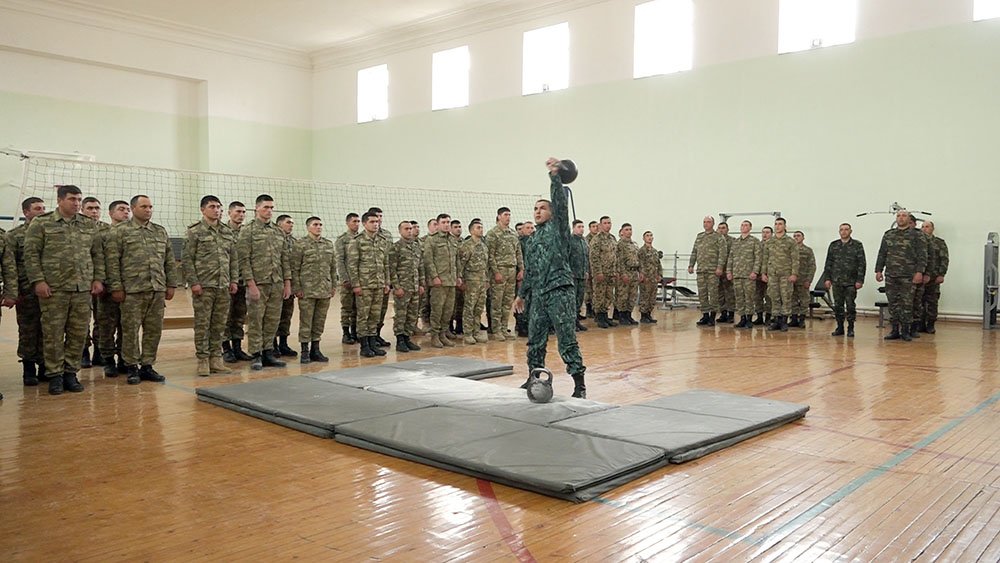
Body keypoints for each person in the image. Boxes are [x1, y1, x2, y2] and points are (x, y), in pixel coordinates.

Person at [513, 158, 587, 399]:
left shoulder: (559, 229)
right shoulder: (532, 240)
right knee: (535, 341)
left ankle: (579, 384)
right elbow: (531, 271)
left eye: (542, 208)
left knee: (566, 340)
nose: (537, 212)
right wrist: (522, 295)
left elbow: (559, 202)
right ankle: (533, 378)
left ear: (553, 213)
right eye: (535, 209)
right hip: (540, 296)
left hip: (560, 291)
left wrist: (555, 176)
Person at [24, 185, 105, 395]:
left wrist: (97, 279)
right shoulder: (42, 224)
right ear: (60, 200)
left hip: (81, 289)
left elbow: (97, 254)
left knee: (78, 334)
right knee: (52, 334)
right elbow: (31, 255)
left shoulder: (89, 225)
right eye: (72, 199)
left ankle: (71, 373)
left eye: (79, 199)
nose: (77, 203)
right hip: (54, 289)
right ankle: (55, 375)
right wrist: (38, 281)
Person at [107, 195, 180, 384]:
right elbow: (113, 262)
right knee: (130, 330)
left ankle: (147, 365)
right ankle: (131, 366)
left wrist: (171, 284)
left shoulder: (159, 231)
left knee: (154, 330)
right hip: (132, 290)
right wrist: (116, 286)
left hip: (156, 288)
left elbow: (169, 260)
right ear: (133, 209)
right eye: (144, 206)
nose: (148, 210)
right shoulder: (120, 231)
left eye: (150, 206)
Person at [182, 195, 238, 377]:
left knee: (219, 324)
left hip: (223, 285)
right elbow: (187, 260)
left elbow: (233, 258)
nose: (217, 210)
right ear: (203, 209)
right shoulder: (194, 231)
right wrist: (194, 282)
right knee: (202, 324)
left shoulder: (226, 231)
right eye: (212, 206)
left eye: (219, 207)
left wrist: (234, 280)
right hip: (204, 285)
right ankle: (203, 360)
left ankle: (216, 358)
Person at [238, 194, 292, 370]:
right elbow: (243, 259)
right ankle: (256, 354)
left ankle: (268, 351)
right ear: (257, 209)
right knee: (256, 320)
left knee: (272, 320)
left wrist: (287, 282)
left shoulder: (278, 231)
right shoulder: (248, 231)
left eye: (271, 208)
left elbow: (284, 258)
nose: (269, 211)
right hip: (258, 283)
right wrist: (251, 284)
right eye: (265, 208)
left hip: (276, 283)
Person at [7, 197, 46, 385]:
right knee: (28, 329)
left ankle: (46, 366)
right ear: (26, 212)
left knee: (48, 329)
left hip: (48, 290)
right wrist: (13, 291)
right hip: (26, 291)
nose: (42, 211)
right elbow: (10, 267)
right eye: (37, 208)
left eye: (44, 208)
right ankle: (29, 367)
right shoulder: (14, 236)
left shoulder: (49, 232)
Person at [291, 216, 337, 363]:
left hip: (324, 289)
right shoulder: (300, 245)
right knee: (306, 321)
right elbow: (295, 268)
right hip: (307, 290)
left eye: (320, 224)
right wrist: (297, 288)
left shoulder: (328, 244)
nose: (319, 227)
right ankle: (304, 350)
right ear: (308, 227)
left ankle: (315, 349)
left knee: (319, 321)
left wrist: (333, 286)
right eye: (315, 224)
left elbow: (332, 267)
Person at [876, 210, 927, 341]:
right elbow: (882, 253)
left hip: (909, 275)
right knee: (893, 303)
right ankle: (894, 330)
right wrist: (878, 270)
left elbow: (922, 255)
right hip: (891, 274)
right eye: (898, 216)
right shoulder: (889, 234)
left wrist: (919, 272)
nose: (901, 218)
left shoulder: (917, 235)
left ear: (909, 218)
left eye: (904, 216)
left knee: (907, 303)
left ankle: (906, 330)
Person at [348, 212, 390, 358]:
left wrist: (387, 282)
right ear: (365, 224)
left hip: (379, 284)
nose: (376, 224)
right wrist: (356, 284)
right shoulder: (357, 241)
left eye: (377, 222)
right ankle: (364, 345)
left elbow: (385, 263)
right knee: (363, 316)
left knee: (375, 315)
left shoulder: (382, 240)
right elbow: (352, 265)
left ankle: (373, 342)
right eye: (372, 222)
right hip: (364, 285)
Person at [96, 200, 130, 377]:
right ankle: (108, 359)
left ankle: (124, 359)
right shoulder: (102, 234)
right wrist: (101, 283)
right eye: (121, 209)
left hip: (131, 289)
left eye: (127, 210)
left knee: (127, 326)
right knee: (107, 326)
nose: (126, 213)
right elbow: (99, 260)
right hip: (108, 289)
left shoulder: (133, 233)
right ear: (110, 213)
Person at [222, 201, 254, 363]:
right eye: (237, 212)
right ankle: (225, 349)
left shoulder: (247, 232)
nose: (241, 215)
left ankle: (237, 347)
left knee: (239, 316)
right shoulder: (222, 231)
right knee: (225, 316)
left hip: (243, 280)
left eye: (243, 212)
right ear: (229, 213)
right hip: (226, 281)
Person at [822, 223, 866, 337]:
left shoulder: (857, 245)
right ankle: (840, 327)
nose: (844, 231)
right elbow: (828, 263)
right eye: (841, 230)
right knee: (838, 305)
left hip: (851, 281)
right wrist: (827, 278)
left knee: (850, 305)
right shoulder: (834, 245)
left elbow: (862, 264)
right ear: (839, 232)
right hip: (837, 280)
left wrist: (860, 280)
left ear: (850, 231)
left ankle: (851, 327)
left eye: (846, 229)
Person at [485, 207, 523, 341]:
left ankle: (504, 328)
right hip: (499, 271)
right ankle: (496, 330)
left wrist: (521, 269)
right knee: (497, 302)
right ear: (499, 216)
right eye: (506, 215)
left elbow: (518, 252)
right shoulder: (492, 234)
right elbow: (490, 255)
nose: (508, 217)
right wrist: (495, 272)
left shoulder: (513, 233)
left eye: (509, 215)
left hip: (512, 271)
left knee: (507, 302)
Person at [425, 213, 461, 348]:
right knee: (437, 310)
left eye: (448, 222)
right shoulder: (432, 240)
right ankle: (435, 336)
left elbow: (456, 260)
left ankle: (443, 334)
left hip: (451, 281)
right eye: (444, 222)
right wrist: (434, 277)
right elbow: (428, 260)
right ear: (438, 224)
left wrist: (458, 276)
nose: (446, 225)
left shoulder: (452, 240)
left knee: (448, 310)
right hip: (439, 282)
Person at [388, 220, 423, 353]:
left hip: (414, 287)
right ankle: (400, 340)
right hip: (403, 287)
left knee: (412, 314)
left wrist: (421, 284)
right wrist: (396, 287)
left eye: (410, 228)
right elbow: (392, 269)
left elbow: (420, 267)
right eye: (406, 229)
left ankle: (408, 337)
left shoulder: (416, 247)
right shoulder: (395, 248)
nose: (409, 231)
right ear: (400, 231)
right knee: (401, 315)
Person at [80, 196, 105, 368]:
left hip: (101, 281)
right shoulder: (76, 228)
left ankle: (99, 351)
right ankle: (83, 352)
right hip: (80, 282)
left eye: (96, 208)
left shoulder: (107, 229)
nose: (94, 211)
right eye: (90, 208)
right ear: (82, 209)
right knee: (81, 320)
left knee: (101, 319)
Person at [688, 216, 727, 326]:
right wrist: (691, 264)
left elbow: (722, 254)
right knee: (702, 294)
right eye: (704, 222)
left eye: (708, 222)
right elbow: (694, 251)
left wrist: (720, 267)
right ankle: (705, 315)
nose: (706, 224)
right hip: (701, 270)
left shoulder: (719, 237)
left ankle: (712, 316)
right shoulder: (700, 236)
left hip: (712, 271)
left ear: (713, 224)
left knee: (713, 294)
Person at [760, 217, 798, 331]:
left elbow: (795, 259)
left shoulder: (790, 242)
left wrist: (794, 274)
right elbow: (765, 258)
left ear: (785, 226)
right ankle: (776, 320)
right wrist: (763, 273)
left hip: (786, 275)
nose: (777, 226)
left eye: (780, 224)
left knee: (785, 297)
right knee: (774, 297)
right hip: (772, 274)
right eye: (776, 224)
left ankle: (784, 321)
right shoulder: (770, 242)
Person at [459, 219, 489, 344]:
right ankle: (467, 333)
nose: (481, 230)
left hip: (481, 282)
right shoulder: (466, 246)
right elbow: (461, 264)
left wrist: (487, 280)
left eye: (481, 227)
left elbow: (486, 265)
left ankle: (476, 331)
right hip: (471, 281)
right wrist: (461, 280)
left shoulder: (483, 246)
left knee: (478, 308)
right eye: (478, 228)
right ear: (471, 230)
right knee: (469, 308)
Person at [726, 220, 761, 329]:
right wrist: (729, 271)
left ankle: (749, 319)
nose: (743, 227)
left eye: (746, 225)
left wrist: (755, 271)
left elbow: (758, 258)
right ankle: (742, 319)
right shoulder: (735, 242)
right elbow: (731, 258)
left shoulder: (755, 241)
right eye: (742, 225)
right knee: (739, 298)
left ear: (750, 228)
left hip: (748, 275)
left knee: (749, 297)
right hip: (737, 274)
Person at [274, 214, 298, 357]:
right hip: (275, 282)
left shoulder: (295, 242)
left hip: (290, 284)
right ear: (279, 224)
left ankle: (283, 343)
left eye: (292, 223)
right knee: (273, 316)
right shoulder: (273, 240)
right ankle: (272, 345)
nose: (291, 225)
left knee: (286, 315)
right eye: (288, 222)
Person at [369, 206, 394, 348]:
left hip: (383, 279)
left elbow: (388, 259)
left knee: (381, 310)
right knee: (368, 312)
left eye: (380, 216)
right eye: (375, 217)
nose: (378, 219)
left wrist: (389, 281)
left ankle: (377, 335)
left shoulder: (387, 235)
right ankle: (367, 338)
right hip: (368, 281)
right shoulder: (363, 237)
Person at [335, 212, 361, 344]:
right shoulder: (342, 239)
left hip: (360, 280)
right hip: (348, 280)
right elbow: (339, 260)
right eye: (354, 221)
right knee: (347, 307)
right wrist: (344, 278)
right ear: (347, 223)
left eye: (358, 222)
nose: (356, 224)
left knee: (358, 307)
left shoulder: (361, 238)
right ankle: (346, 333)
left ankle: (355, 332)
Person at [589, 216, 618, 328]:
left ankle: (605, 315)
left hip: (611, 272)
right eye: (605, 223)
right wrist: (597, 272)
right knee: (599, 295)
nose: (608, 225)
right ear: (600, 225)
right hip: (601, 272)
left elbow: (615, 256)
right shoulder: (596, 239)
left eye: (609, 223)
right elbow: (594, 257)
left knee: (609, 295)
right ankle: (599, 317)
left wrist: (615, 271)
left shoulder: (612, 238)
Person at [919, 221, 949, 333]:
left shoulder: (939, 242)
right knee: (919, 302)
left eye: (927, 227)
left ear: (932, 229)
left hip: (934, 276)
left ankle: (931, 324)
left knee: (932, 302)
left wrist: (941, 274)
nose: (924, 229)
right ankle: (920, 324)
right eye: (922, 227)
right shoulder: (918, 242)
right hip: (920, 276)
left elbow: (944, 259)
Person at [788, 231, 815, 328]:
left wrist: (809, 279)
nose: (796, 237)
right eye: (794, 236)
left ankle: (802, 319)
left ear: (803, 238)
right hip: (791, 279)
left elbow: (812, 266)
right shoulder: (789, 250)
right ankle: (794, 319)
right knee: (792, 300)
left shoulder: (807, 250)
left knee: (804, 300)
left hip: (803, 279)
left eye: (798, 236)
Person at [615, 223, 640, 325]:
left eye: (630, 229)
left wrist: (639, 272)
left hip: (634, 272)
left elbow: (638, 259)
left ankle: (629, 315)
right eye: (626, 229)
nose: (629, 231)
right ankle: (622, 316)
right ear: (622, 232)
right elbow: (619, 260)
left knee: (632, 295)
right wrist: (622, 273)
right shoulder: (620, 244)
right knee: (623, 295)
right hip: (625, 272)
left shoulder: (634, 244)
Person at [514, 221, 535, 337]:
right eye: (528, 228)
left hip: (534, 277)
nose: (530, 230)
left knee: (532, 302)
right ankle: (521, 325)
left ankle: (530, 325)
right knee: (522, 301)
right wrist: (520, 273)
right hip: (523, 276)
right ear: (522, 230)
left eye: (532, 228)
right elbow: (518, 259)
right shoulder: (520, 243)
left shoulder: (536, 242)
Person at [417, 218, 438, 334]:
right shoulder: (422, 241)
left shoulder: (441, 241)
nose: (436, 227)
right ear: (429, 227)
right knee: (425, 301)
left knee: (435, 303)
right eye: (434, 225)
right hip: (426, 276)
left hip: (438, 277)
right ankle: (425, 323)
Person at [569, 220, 590, 331]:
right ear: (573, 228)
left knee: (579, 299)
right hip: (572, 275)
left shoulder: (584, 241)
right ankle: (571, 323)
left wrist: (586, 271)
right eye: (579, 226)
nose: (581, 228)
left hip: (582, 275)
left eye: (582, 226)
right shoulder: (569, 240)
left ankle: (576, 321)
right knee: (571, 300)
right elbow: (566, 258)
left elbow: (586, 258)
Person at [637, 230, 661, 324]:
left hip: (653, 278)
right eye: (647, 236)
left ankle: (649, 314)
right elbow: (640, 264)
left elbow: (658, 264)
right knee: (645, 297)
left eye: (651, 235)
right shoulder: (641, 251)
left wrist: (660, 274)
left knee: (652, 298)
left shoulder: (655, 251)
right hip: (645, 278)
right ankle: (643, 316)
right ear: (644, 238)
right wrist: (642, 274)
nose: (649, 237)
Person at [716, 222, 736, 323]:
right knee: (719, 293)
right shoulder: (714, 241)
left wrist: (730, 270)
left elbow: (735, 257)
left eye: (723, 228)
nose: (721, 230)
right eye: (719, 228)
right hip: (716, 271)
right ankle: (723, 313)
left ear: (727, 230)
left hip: (728, 271)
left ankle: (731, 314)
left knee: (730, 293)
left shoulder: (733, 241)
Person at [754, 226, 774, 325]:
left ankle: (769, 317)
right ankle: (759, 317)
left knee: (769, 297)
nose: (765, 234)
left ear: (771, 234)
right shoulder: (757, 245)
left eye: (767, 232)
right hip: (757, 275)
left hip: (769, 275)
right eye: (763, 232)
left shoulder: (774, 245)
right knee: (757, 296)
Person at [583, 220, 599, 318]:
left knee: (596, 291)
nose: (595, 228)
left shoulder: (599, 239)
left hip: (597, 269)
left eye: (597, 226)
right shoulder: (586, 239)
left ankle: (595, 309)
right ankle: (589, 309)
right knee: (588, 290)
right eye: (593, 226)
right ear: (589, 228)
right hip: (589, 268)